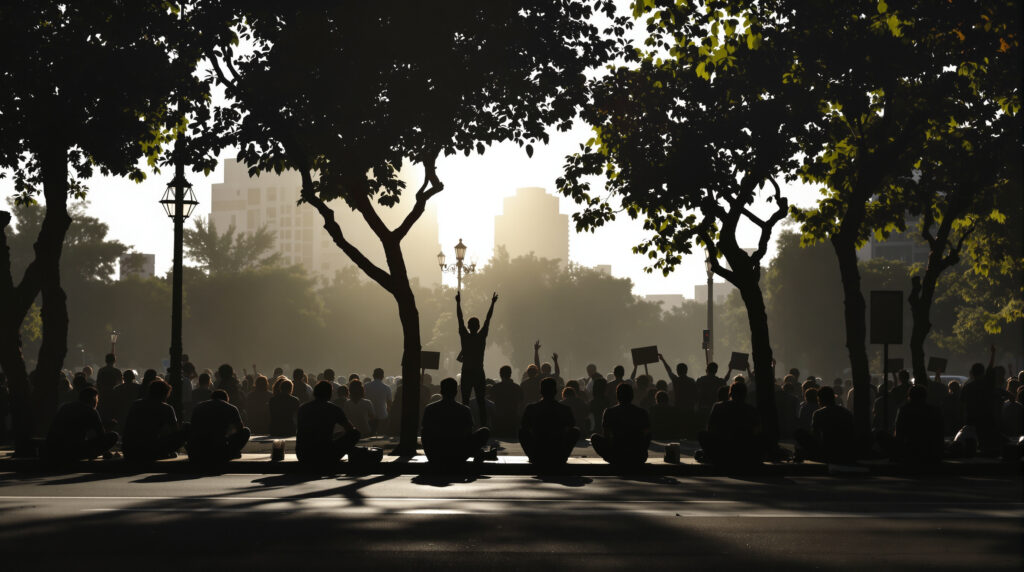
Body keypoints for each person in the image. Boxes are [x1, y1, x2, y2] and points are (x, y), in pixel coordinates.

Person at [296, 381, 371, 467]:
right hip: (325, 454)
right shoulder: (333, 409)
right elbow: (350, 429)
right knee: (355, 434)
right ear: (330, 394)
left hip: (303, 454)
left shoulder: (303, 408)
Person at [421, 377, 491, 466]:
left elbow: (425, 432)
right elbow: (468, 434)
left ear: (441, 391)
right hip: (458, 454)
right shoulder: (464, 410)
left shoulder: (430, 409)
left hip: (436, 454)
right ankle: (479, 454)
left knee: (424, 431)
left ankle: (434, 458)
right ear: (456, 392)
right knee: (484, 431)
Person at [456, 291, 498, 426]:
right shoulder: (481, 337)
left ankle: (465, 425)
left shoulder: (464, 337)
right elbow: (488, 319)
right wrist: (492, 303)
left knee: (465, 401)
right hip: (479, 371)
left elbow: (460, 318)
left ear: (468, 326)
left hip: (467, 370)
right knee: (481, 401)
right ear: (478, 326)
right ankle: (484, 426)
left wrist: (458, 303)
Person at [696, 378, 760, 466]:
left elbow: (710, 428)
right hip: (743, 447)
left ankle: (712, 455)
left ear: (730, 393)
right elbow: (756, 430)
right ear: (745, 394)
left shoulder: (718, 406)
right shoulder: (750, 409)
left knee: (701, 434)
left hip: (722, 446)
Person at [44, 387, 118, 462]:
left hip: (54, 449)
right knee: (114, 436)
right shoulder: (91, 411)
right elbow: (100, 435)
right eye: (97, 398)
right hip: (73, 451)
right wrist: (105, 451)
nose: (97, 401)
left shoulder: (65, 407)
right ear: (93, 399)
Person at [519, 377, 579, 466]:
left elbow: (524, 427)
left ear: (541, 391)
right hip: (558, 450)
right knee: (575, 431)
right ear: (555, 391)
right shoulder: (564, 409)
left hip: (537, 451)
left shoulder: (532, 408)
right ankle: (563, 456)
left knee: (522, 432)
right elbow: (572, 426)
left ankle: (533, 456)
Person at [122, 380, 187, 462]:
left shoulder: (136, 404)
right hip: (151, 449)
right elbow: (174, 430)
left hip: (130, 449)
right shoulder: (166, 408)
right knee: (184, 432)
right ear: (165, 394)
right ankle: (163, 453)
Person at [591, 383, 651, 467]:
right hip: (637, 455)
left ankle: (614, 458)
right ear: (632, 396)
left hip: (616, 453)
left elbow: (606, 434)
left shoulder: (609, 412)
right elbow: (647, 434)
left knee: (594, 437)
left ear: (617, 396)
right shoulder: (641, 412)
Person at [795, 386, 856, 464]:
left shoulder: (819, 413)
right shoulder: (846, 413)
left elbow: (815, 434)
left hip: (826, 450)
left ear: (820, 399)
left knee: (799, 433)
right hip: (845, 449)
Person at [187, 389, 250, 464]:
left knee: (186, 426)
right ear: (226, 399)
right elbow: (240, 428)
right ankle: (232, 452)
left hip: (199, 449)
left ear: (211, 398)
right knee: (246, 431)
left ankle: (194, 452)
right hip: (220, 450)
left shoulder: (198, 407)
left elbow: (192, 426)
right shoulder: (231, 408)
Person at [889, 385, 944, 463]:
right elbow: (940, 432)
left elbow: (899, 433)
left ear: (909, 396)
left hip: (910, 449)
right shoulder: (934, 410)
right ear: (925, 396)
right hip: (930, 450)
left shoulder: (904, 410)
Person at [489, 365, 524, 438]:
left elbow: (491, 403)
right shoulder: (517, 387)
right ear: (510, 374)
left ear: (500, 374)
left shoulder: (495, 387)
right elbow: (521, 402)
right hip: (513, 419)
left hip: (499, 419)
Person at [363, 368, 392, 436]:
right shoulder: (387, 388)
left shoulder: (366, 386)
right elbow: (389, 404)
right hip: (382, 415)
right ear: (382, 377)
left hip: (369, 416)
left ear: (373, 375)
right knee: (381, 436)